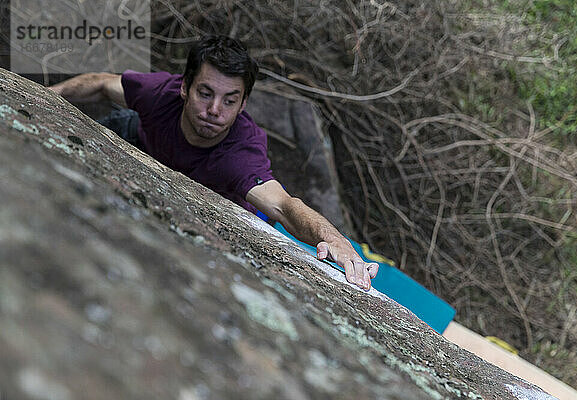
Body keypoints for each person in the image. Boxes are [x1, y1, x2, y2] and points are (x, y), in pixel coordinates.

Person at [49, 34, 378, 290]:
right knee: (122, 120)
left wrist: (335, 239)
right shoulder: (160, 94)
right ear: (185, 88)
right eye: (205, 93)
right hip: (143, 141)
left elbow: (284, 206)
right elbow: (103, 84)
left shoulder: (238, 156)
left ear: (243, 104)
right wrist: (41, 95)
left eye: (229, 100)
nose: (214, 110)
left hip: (213, 203)